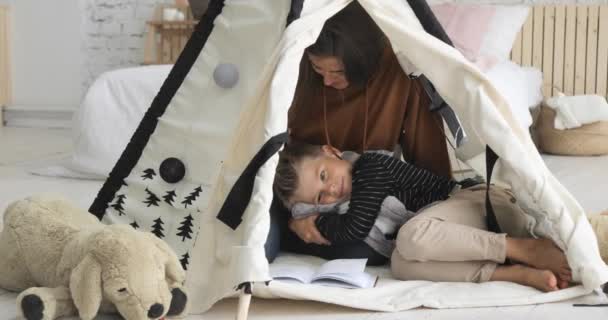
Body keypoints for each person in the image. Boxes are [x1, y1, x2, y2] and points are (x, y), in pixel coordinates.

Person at [267, 1, 451, 264]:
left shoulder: (400, 73)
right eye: (319, 69)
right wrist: (296, 222)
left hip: (362, 207)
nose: (327, 81)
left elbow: (431, 167)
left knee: (363, 251)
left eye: (337, 71)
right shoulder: (297, 71)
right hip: (296, 196)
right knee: (260, 248)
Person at [273, 142, 572, 292]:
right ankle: (514, 272)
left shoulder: (369, 167)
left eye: (324, 175)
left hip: (482, 203)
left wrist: (308, 224)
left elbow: (354, 227)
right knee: (402, 264)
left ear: (332, 151)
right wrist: (295, 219)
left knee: (410, 237)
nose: (331, 191)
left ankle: (522, 248)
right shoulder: (349, 195)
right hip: (460, 233)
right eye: (319, 198)